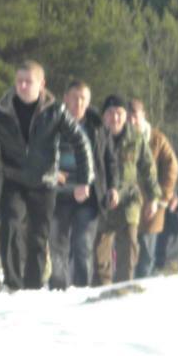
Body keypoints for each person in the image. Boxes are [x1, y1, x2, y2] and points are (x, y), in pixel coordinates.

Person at [0, 61, 93, 291]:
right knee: (9, 226)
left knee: (37, 237)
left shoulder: (55, 111)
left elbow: (80, 142)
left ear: (42, 84)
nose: (22, 86)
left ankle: (32, 287)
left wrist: (84, 180)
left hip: (44, 182)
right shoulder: (2, 110)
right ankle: (12, 283)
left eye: (28, 81)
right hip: (13, 178)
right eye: (19, 81)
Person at [48, 80, 118, 289]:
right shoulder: (51, 122)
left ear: (88, 101)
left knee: (82, 245)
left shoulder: (97, 127)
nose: (78, 103)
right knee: (58, 245)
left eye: (83, 99)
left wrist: (113, 187)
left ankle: (81, 291)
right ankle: (58, 290)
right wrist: (52, 171)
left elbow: (110, 160)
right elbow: (39, 153)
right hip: (58, 193)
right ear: (65, 99)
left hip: (88, 194)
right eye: (74, 97)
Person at [94, 95, 161, 285]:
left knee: (129, 247)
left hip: (128, 199)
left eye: (119, 114)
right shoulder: (96, 136)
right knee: (99, 256)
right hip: (102, 201)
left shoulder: (136, 138)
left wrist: (153, 198)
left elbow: (148, 169)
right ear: (103, 116)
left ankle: (123, 288)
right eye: (110, 113)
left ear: (126, 116)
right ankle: (101, 291)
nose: (115, 118)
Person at [129, 99, 178, 279]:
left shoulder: (157, 139)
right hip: (128, 204)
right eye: (129, 117)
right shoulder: (121, 137)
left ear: (143, 116)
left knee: (147, 254)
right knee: (127, 253)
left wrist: (163, 197)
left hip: (152, 204)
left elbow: (172, 167)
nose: (132, 121)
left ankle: (142, 287)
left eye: (135, 116)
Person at [154, 191, 178, 271]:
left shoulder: (175, 213)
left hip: (171, 253)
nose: (175, 203)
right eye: (173, 201)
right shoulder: (170, 214)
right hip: (166, 256)